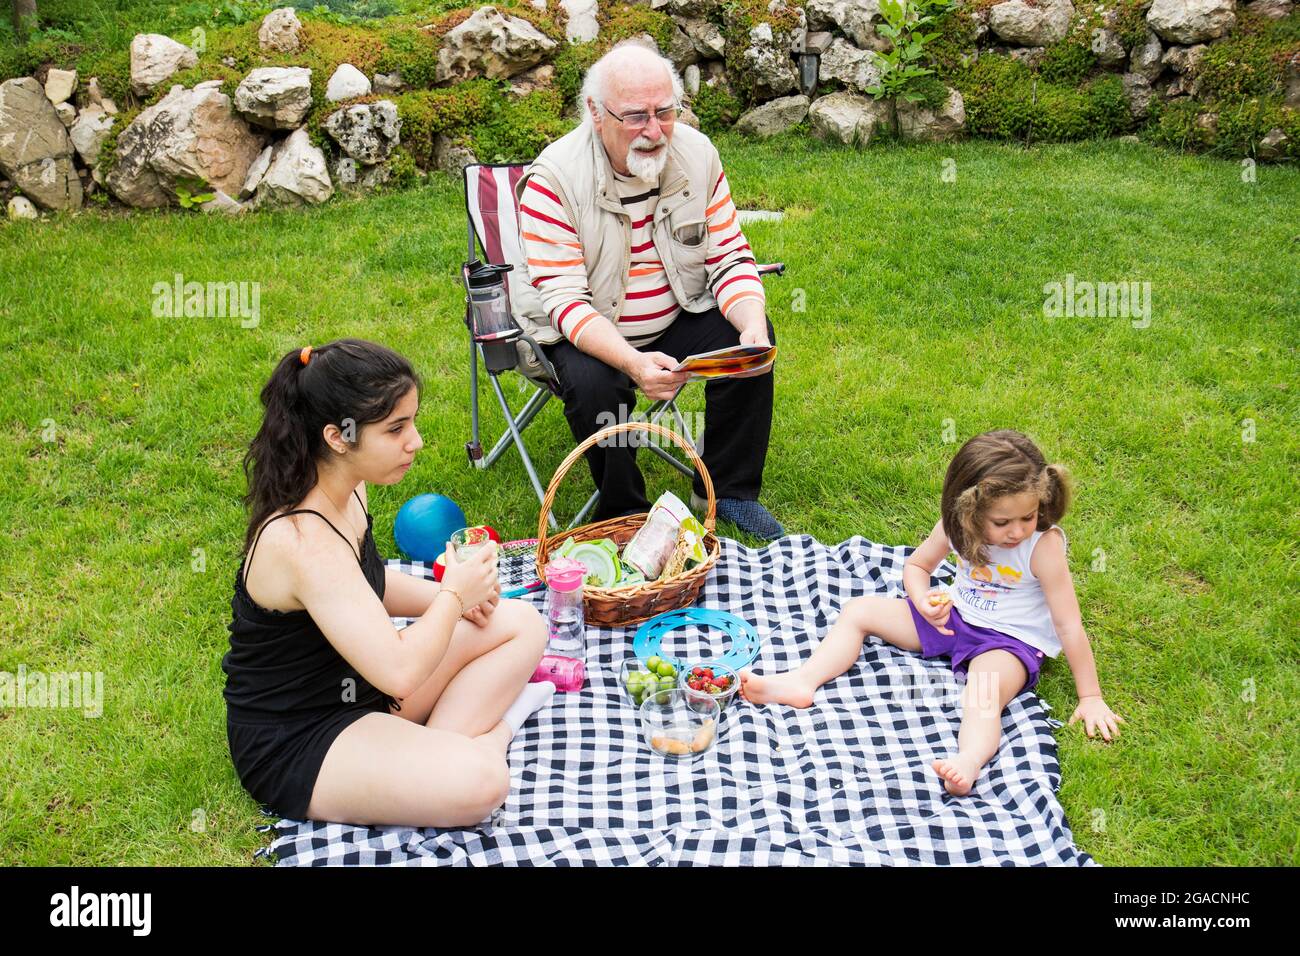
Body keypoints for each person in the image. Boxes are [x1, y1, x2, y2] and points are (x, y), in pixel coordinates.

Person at [222, 339, 552, 827]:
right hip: (304, 733)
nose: (415, 441)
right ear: (338, 437)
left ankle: (424, 759)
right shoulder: (302, 542)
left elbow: (370, 585)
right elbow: (399, 673)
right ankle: (488, 740)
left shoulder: (349, 485)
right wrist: (453, 594)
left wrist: (466, 604)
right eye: (396, 428)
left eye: (412, 422)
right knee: (485, 783)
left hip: (359, 685)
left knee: (521, 622)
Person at [740, 430, 1124, 796]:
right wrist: (923, 600)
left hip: (1008, 641)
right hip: (954, 618)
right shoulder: (957, 524)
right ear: (969, 509)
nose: (1017, 531)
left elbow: (1068, 624)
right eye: (1002, 522)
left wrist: (1090, 696)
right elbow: (917, 567)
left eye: (1028, 517)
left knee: (983, 689)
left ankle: (969, 761)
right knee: (859, 610)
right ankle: (803, 681)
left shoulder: (1043, 546)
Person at [508, 39, 784, 539]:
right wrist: (633, 363)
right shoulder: (554, 177)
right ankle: (622, 509)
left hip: (675, 312)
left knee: (755, 333)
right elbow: (565, 301)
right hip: (585, 328)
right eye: (636, 116)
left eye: (665, 111)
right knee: (597, 384)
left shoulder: (698, 155)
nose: (655, 131)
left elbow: (728, 256)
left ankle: (730, 490)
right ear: (595, 112)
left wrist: (747, 323)